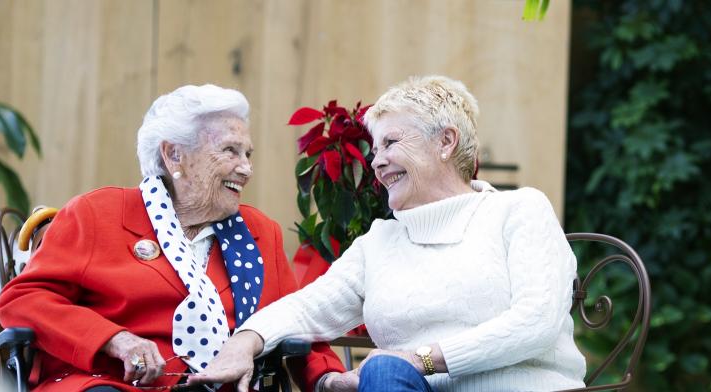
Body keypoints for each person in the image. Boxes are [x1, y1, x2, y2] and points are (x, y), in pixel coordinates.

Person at [186, 76, 587, 392]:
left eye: (391, 142)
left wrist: (420, 359)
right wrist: (245, 341)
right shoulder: (379, 243)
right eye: (374, 149)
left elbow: (536, 322)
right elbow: (304, 308)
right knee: (384, 371)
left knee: (384, 367)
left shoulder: (518, 210)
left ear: (446, 142)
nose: (377, 162)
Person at [0, 84, 345, 392]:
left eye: (247, 154)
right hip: (110, 384)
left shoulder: (259, 233)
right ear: (174, 154)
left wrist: (327, 378)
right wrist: (114, 339)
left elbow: (294, 317)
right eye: (230, 151)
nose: (246, 168)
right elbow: (23, 300)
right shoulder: (97, 214)